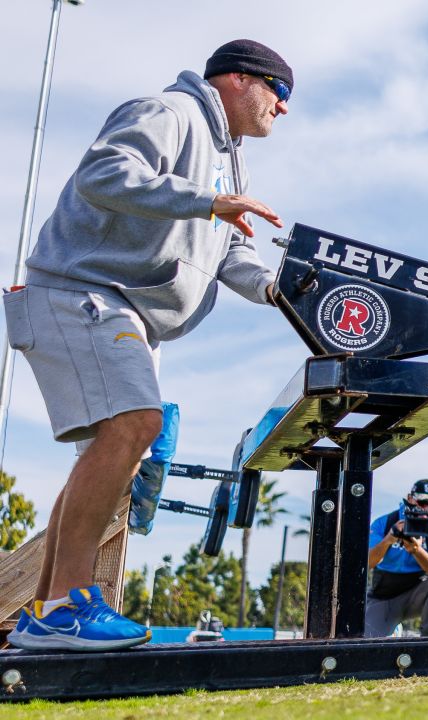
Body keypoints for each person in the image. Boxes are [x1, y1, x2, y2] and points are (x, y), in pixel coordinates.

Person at [4, 39, 294, 651]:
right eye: (279, 92)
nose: (284, 109)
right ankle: (65, 608)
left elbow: (228, 247)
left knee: (117, 447)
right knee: (136, 424)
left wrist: (276, 289)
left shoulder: (226, 158)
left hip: (125, 310)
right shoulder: (170, 112)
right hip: (84, 291)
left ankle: (47, 611)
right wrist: (208, 200)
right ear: (239, 80)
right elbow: (104, 174)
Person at [366, 479, 428, 638]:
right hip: (384, 595)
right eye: (422, 501)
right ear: (410, 497)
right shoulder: (384, 523)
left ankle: (427, 641)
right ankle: (392, 628)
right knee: (369, 643)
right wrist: (388, 540)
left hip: (417, 593)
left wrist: (417, 550)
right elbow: (368, 563)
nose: (425, 508)